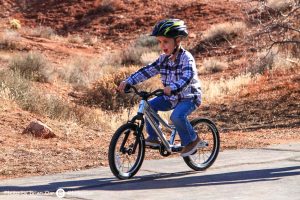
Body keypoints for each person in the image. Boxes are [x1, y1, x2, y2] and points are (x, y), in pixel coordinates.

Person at [118, 19, 202, 157]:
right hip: (171, 96)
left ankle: (193, 140)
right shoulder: (163, 59)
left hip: (189, 97)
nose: (162, 45)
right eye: (160, 42)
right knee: (149, 106)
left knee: (177, 116)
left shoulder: (186, 58)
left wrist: (173, 87)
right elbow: (148, 70)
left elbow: (187, 77)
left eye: (166, 41)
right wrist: (129, 81)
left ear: (178, 40)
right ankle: (154, 138)